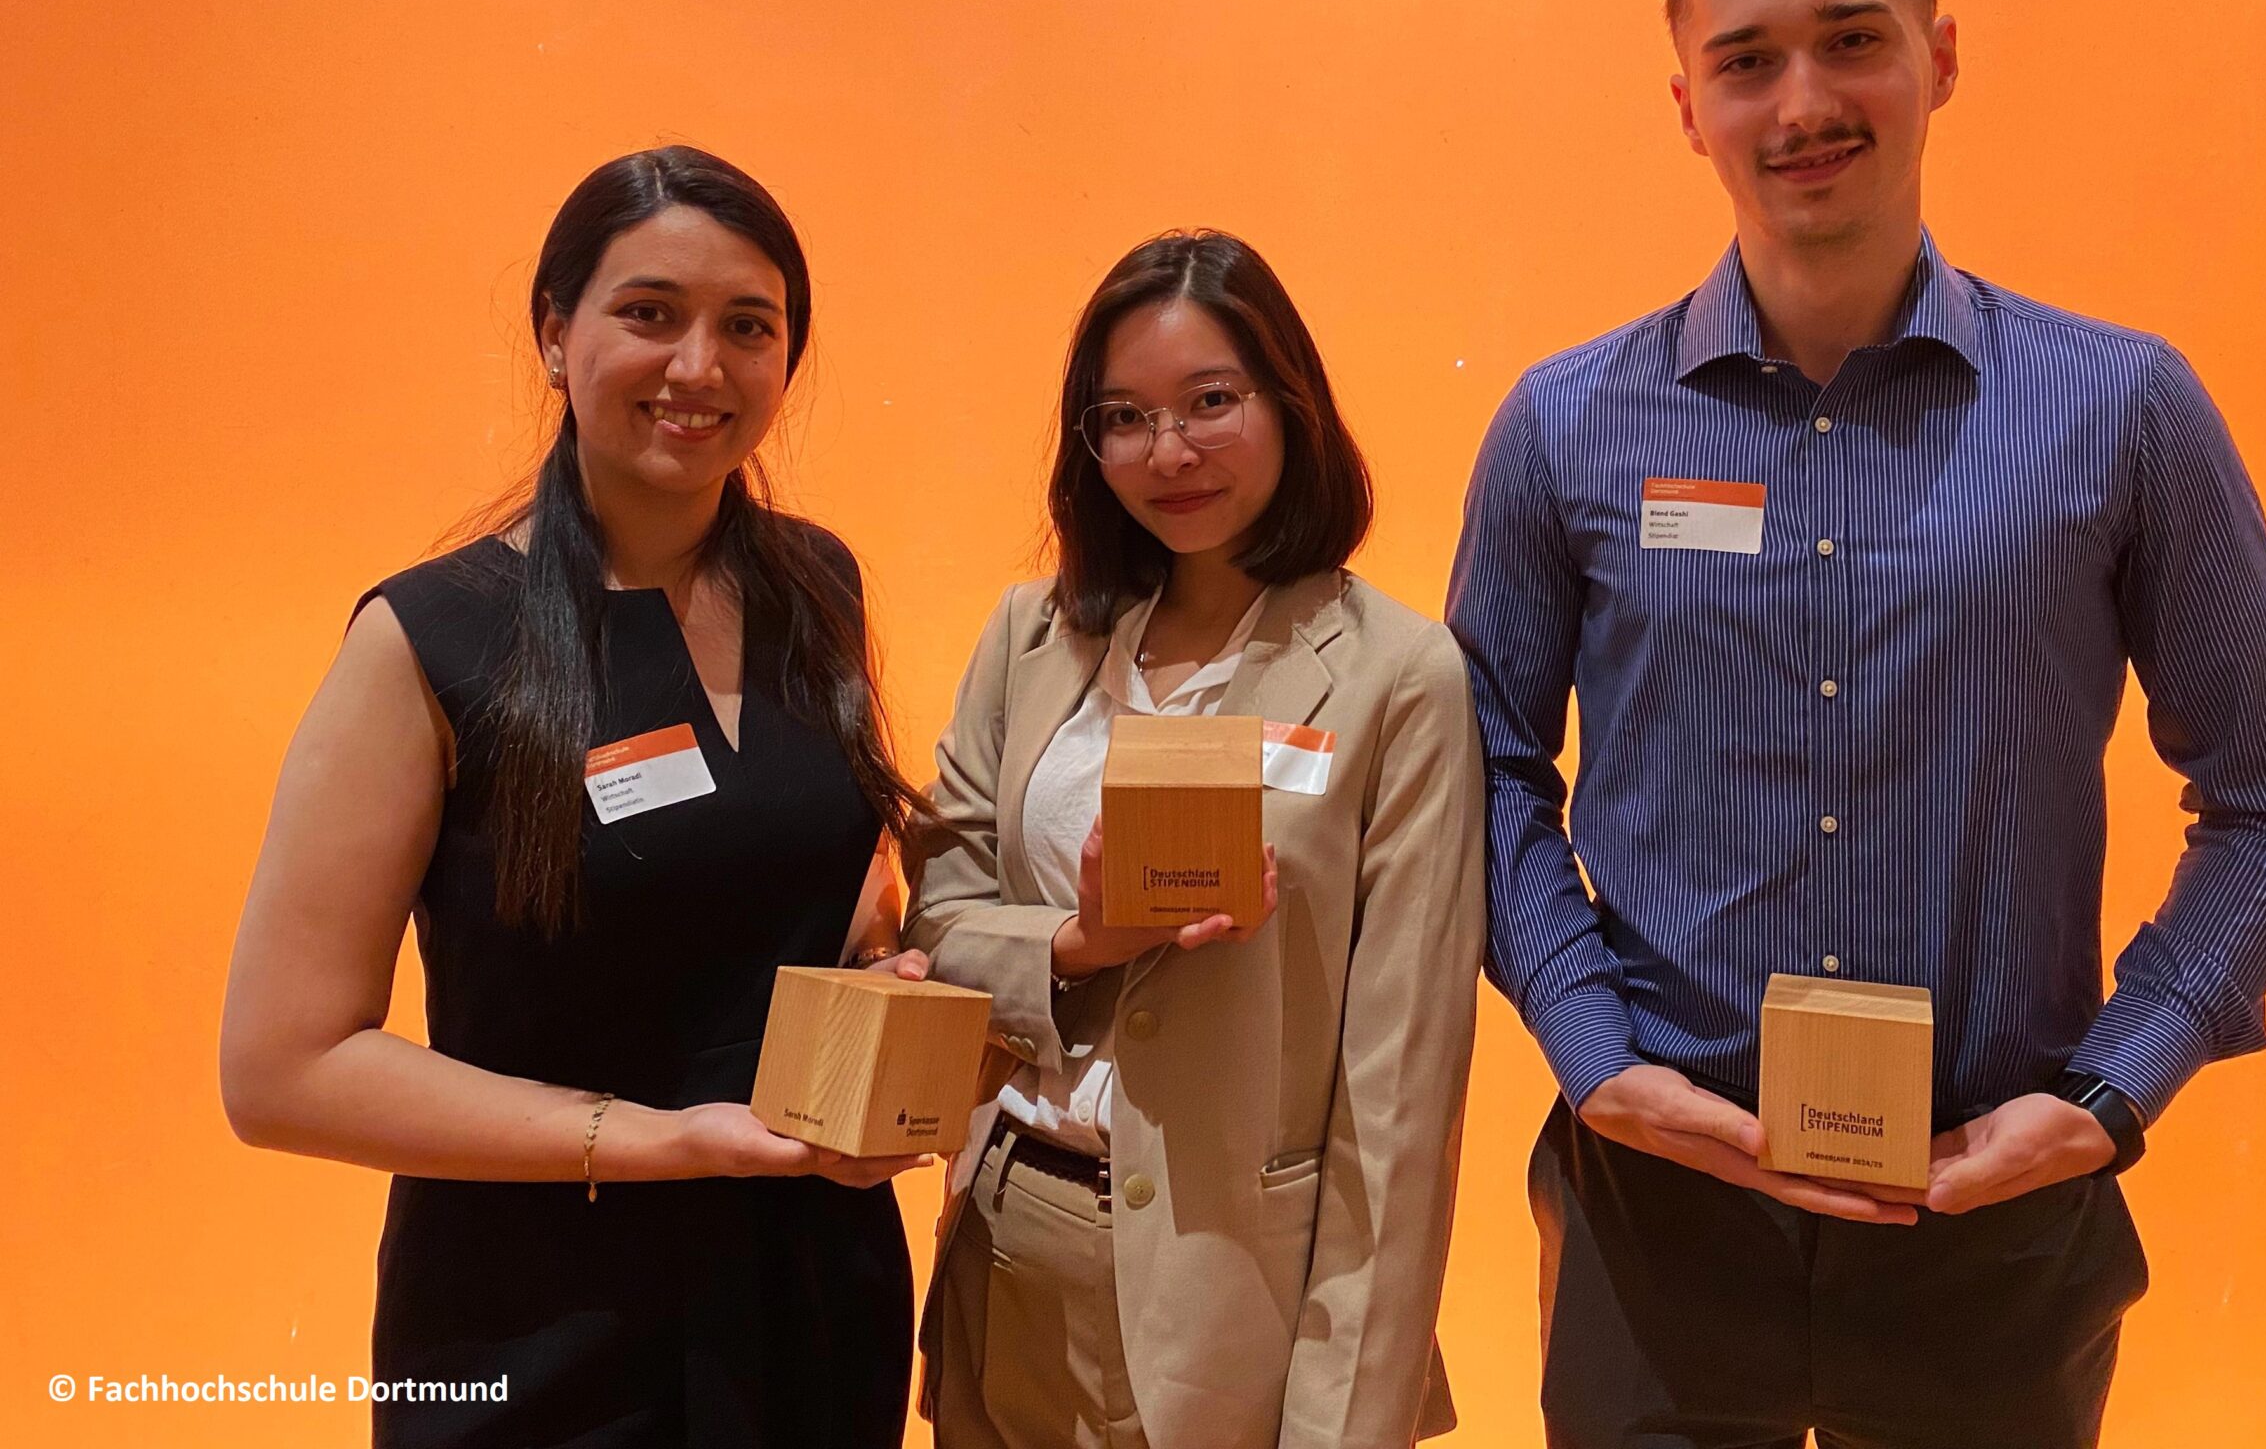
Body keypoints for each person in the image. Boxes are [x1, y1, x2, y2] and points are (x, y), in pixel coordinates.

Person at [1448, 0, 2266, 1449]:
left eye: (1851, 39)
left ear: (1940, 59)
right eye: (1748, 60)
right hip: (1658, 1208)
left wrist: (2107, 1094)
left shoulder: (2119, 410)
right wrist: (1593, 1054)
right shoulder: (1566, 428)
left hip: (1993, 1222)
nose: (1803, 101)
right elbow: (1476, 776)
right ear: (1688, 106)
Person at [220, 146, 933, 1448]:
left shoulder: (816, 588)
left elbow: (783, 897)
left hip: (810, 1291)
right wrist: (666, 1142)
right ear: (555, 334)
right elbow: (283, 1070)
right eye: (650, 313)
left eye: (748, 327)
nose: (699, 367)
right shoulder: (429, 638)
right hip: (534, 1316)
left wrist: (884, 975)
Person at [906, 230, 1483, 1449]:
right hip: (1005, 1249)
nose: (1167, 453)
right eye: (1124, 417)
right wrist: (1079, 942)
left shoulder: (1396, 674)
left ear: (1289, 404)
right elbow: (938, 922)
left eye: (1210, 402)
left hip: (1237, 1300)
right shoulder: (1030, 638)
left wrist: (1343, 1424)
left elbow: (1399, 1097)